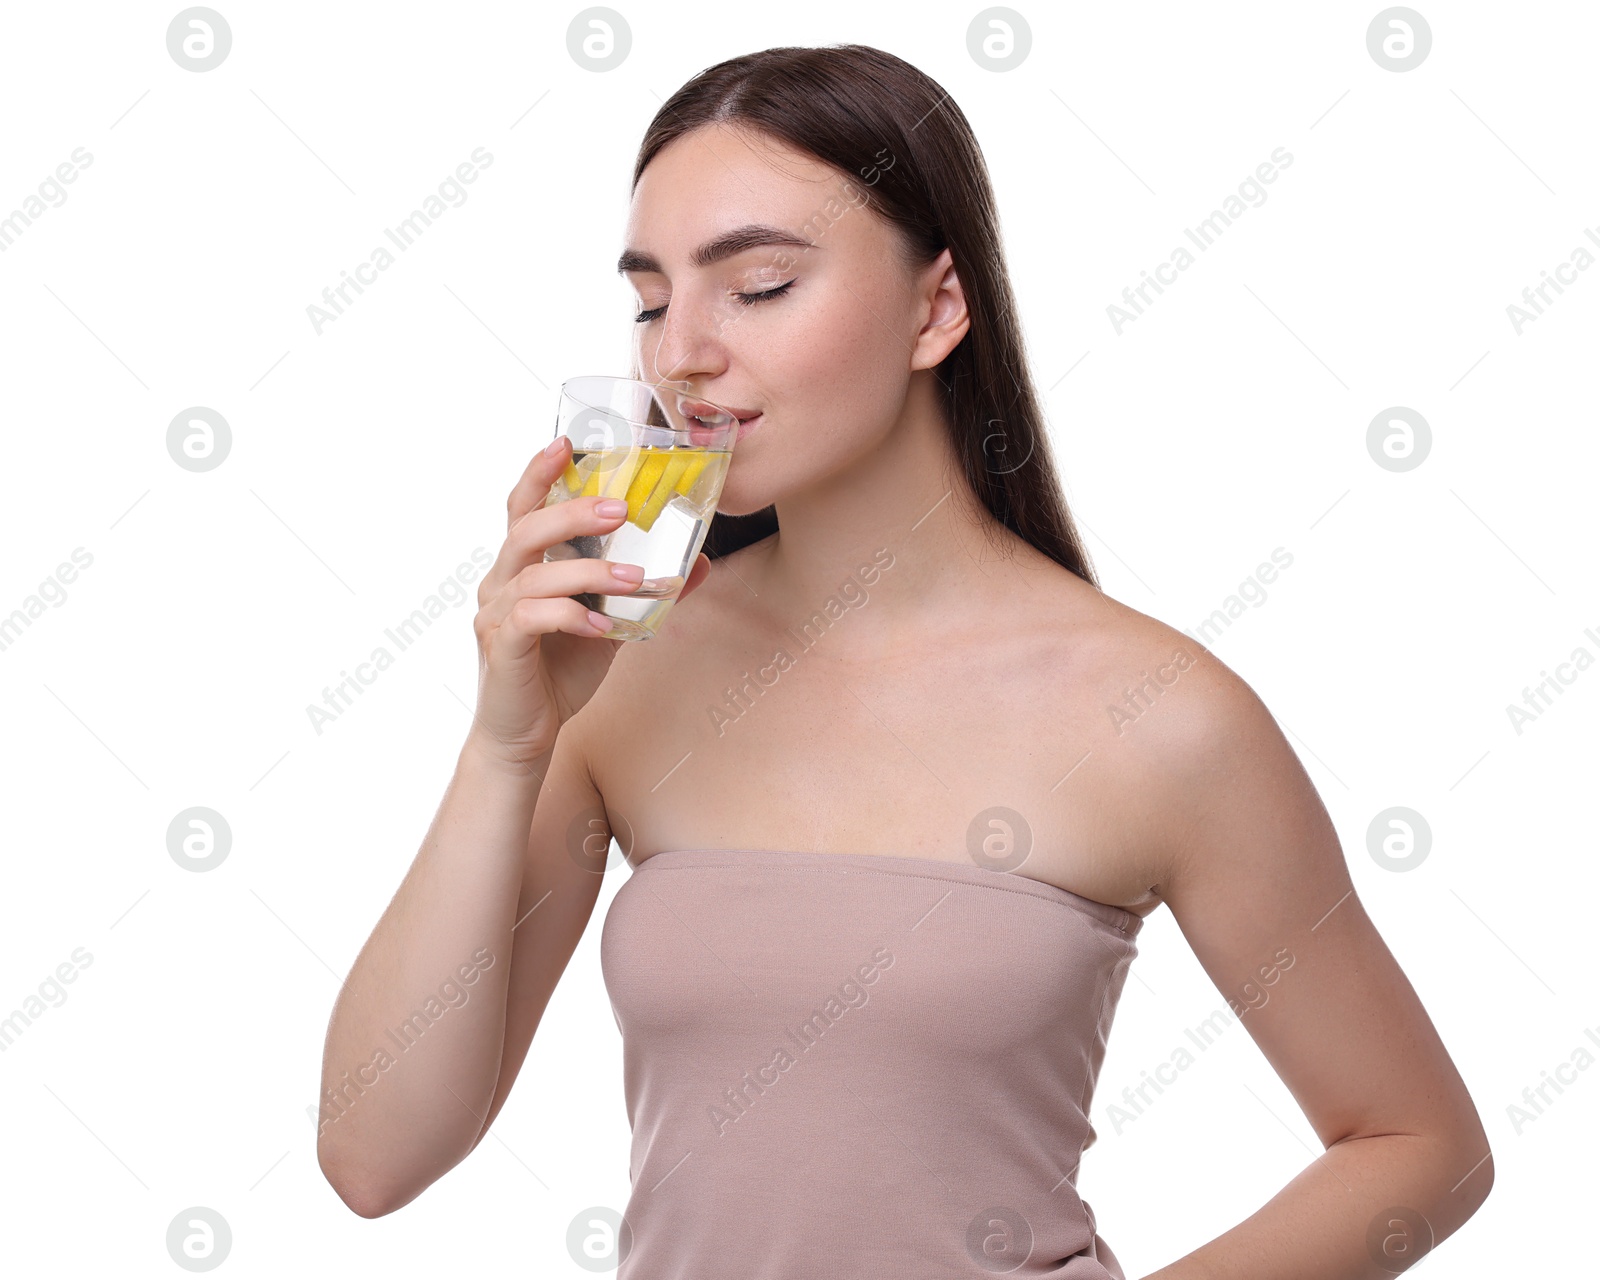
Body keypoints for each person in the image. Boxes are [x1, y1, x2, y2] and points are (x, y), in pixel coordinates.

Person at [316, 44, 1493, 1278]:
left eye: (757, 284)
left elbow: (1417, 1142)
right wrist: (510, 742)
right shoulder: (626, 672)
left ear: (937, 308)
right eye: (653, 299)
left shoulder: (1158, 716)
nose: (681, 354)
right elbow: (375, 1157)